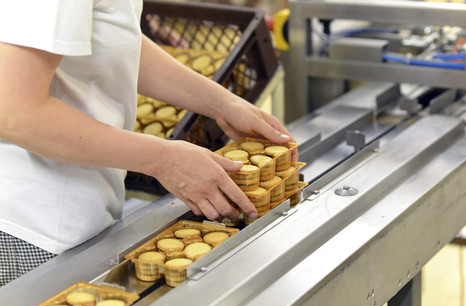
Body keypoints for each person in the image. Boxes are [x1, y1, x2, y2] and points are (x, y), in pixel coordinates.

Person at [0, 1, 297, 287]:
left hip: (78, 211)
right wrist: (163, 160)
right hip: (29, 230)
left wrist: (221, 103)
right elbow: (15, 113)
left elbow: (113, 40)